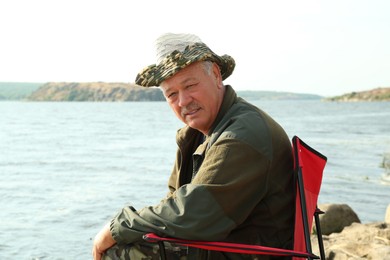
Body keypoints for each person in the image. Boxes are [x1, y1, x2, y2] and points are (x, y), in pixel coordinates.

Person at [92, 33, 295, 260]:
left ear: (216, 76)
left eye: (190, 85)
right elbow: (174, 201)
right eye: (171, 94)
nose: (183, 101)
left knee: (120, 253)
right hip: (223, 243)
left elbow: (193, 213)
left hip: (249, 253)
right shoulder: (196, 135)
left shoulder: (241, 134)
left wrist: (117, 227)